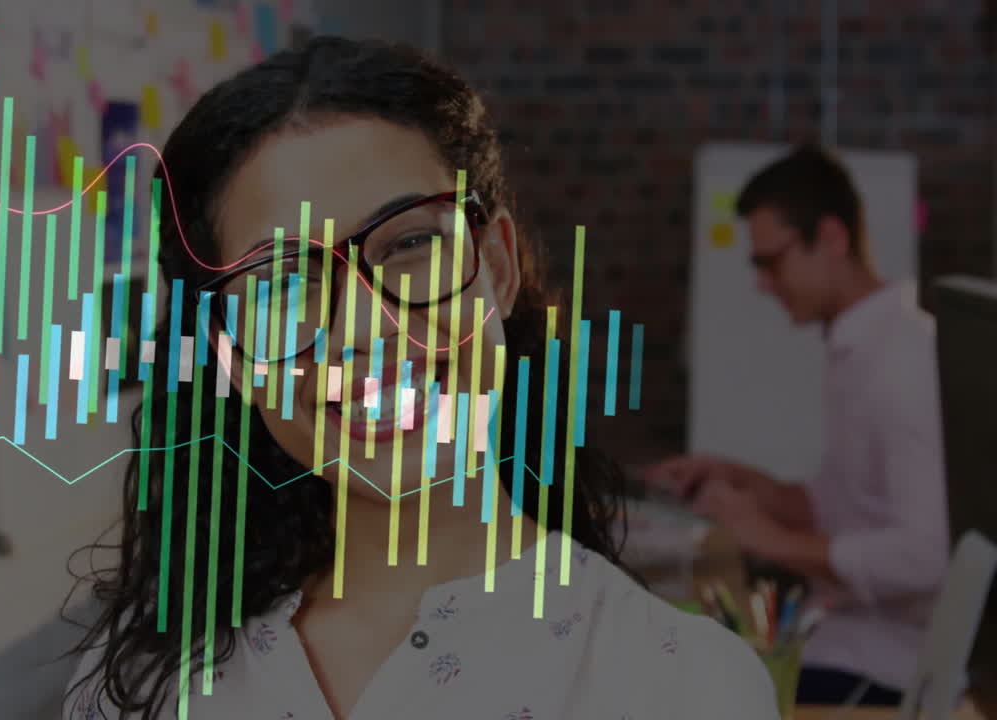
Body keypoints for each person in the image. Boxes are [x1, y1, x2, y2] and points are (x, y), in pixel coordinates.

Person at [59, 37, 779, 720]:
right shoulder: (140, 689)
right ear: (233, 353)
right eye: (284, 283)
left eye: (409, 244)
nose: (367, 327)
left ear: (496, 268)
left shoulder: (686, 685)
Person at [645, 144, 947, 706]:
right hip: (842, 632)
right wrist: (740, 479)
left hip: (889, 665)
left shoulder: (905, 361)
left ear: (831, 239)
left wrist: (771, 540)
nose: (763, 284)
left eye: (770, 262)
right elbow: (837, 507)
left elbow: (925, 555)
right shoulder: (858, 349)